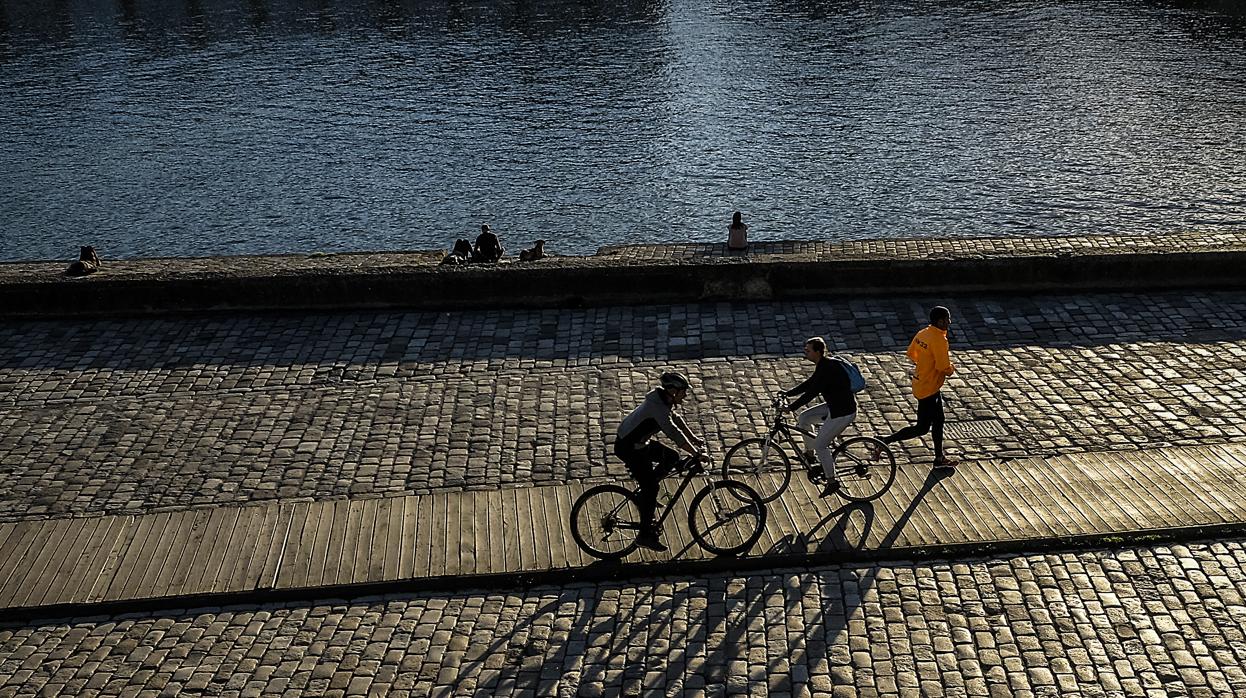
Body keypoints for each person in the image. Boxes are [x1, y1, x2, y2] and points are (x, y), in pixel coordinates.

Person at [614, 371, 709, 551]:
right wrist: (696, 453)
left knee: (672, 457)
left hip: (640, 444)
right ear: (673, 392)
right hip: (628, 448)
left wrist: (694, 438)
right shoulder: (657, 407)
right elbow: (674, 434)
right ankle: (644, 535)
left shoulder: (663, 400)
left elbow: (676, 420)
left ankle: (645, 494)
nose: (686, 395)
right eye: (683, 391)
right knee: (651, 488)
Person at [880, 306, 958, 469]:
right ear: (940, 321)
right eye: (947, 319)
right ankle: (884, 441)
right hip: (929, 388)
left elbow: (912, 353)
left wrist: (925, 364)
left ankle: (939, 458)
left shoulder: (923, 334)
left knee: (939, 421)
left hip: (921, 382)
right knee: (922, 428)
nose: (949, 322)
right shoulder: (939, 339)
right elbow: (944, 367)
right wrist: (951, 368)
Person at [782, 337, 857, 496]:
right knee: (804, 418)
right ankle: (810, 455)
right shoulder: (824, 364)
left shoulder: (828, 368)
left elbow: (812, 392)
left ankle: (832, 481)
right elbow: (809, 383)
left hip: (842, 413)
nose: (805, 353)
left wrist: (791, 407)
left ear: (817, 352)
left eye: (808, 350)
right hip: (833, 407)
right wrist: (787, 393)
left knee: (821, 445)